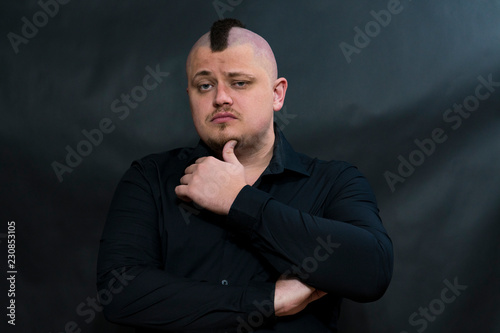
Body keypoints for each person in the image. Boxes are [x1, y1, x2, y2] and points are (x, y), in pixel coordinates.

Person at [97, 18, 393, 332]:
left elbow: (371, 271)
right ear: (190, 96)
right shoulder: (151, 179)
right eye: (205, 85)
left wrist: (239, 201)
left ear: (277, 94)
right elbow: (121, 294)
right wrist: (269, 301)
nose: (220, 97)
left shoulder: (334, 182)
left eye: (239, 82)